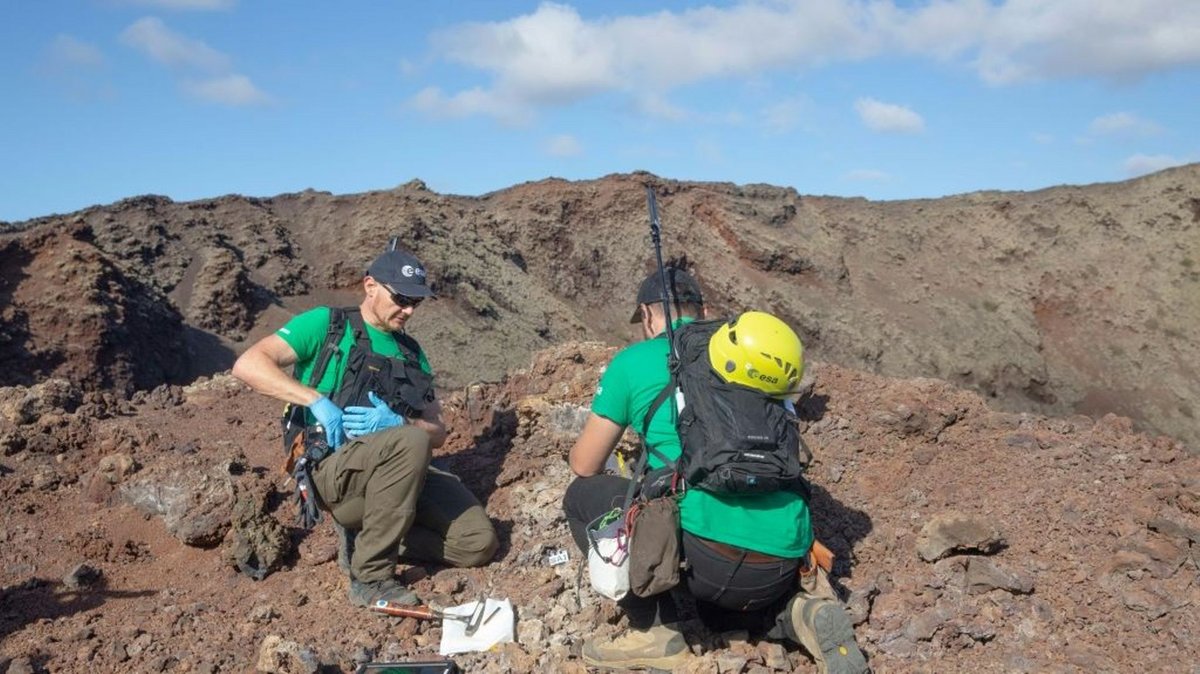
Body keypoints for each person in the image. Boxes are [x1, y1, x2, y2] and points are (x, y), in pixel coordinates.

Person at [563, 267, 867, 673]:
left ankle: (655, 629)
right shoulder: (753, 356)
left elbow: (585, 464)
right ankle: (800, 613)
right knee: (722, 616)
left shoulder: (633, 361)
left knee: (583, 494)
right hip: (781, 560)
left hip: (704, 558)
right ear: (705, 310)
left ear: (648, 316)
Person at [232, 246, 498, 608]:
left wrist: (401, 422)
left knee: (478, 542)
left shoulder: (411, 353)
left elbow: (438, 432)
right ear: (370, 285)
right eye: (401, 298)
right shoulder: (327, 324)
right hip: (333, 469)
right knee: (409, 443)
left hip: (400, 470)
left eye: (416, 303)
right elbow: (249, 364)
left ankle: (368, 537)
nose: (408, 310)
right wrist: (314, 400)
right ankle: (371, 578)